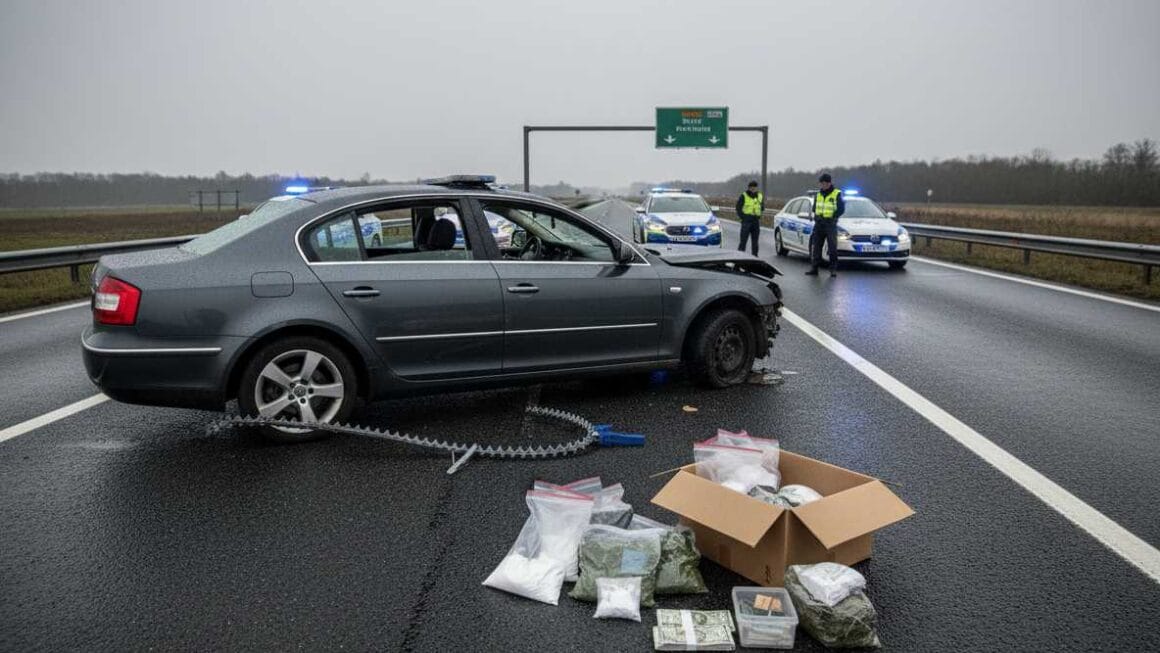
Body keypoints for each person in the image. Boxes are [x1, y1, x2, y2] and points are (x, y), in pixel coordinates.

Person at [806, 173, 845, 277]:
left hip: (830, 224)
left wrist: (833, 217)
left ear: (829, 183)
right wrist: (817, 217)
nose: (822, 185)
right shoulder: (818, 195)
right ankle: (814, 268)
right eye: (821, 183)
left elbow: (841, 209)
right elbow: (814, 208)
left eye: (824, 183)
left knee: (832, 247)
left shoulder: (836, 194)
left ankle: (833, 269)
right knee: (816, 247)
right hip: (819, 224)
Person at [735, 180, 763, 255]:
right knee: (743, 242)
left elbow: (762, 207)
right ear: (749, 188)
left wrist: (759, 215)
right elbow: (738, 208)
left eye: (755, 188)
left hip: (755, 221)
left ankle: (755, 259)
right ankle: (739, 259)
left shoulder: (760, 196)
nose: (753, 189)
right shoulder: (744, 196)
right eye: (752, 188)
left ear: (757, 188)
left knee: (755, 243)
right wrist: (743, 217)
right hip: (746, 222)